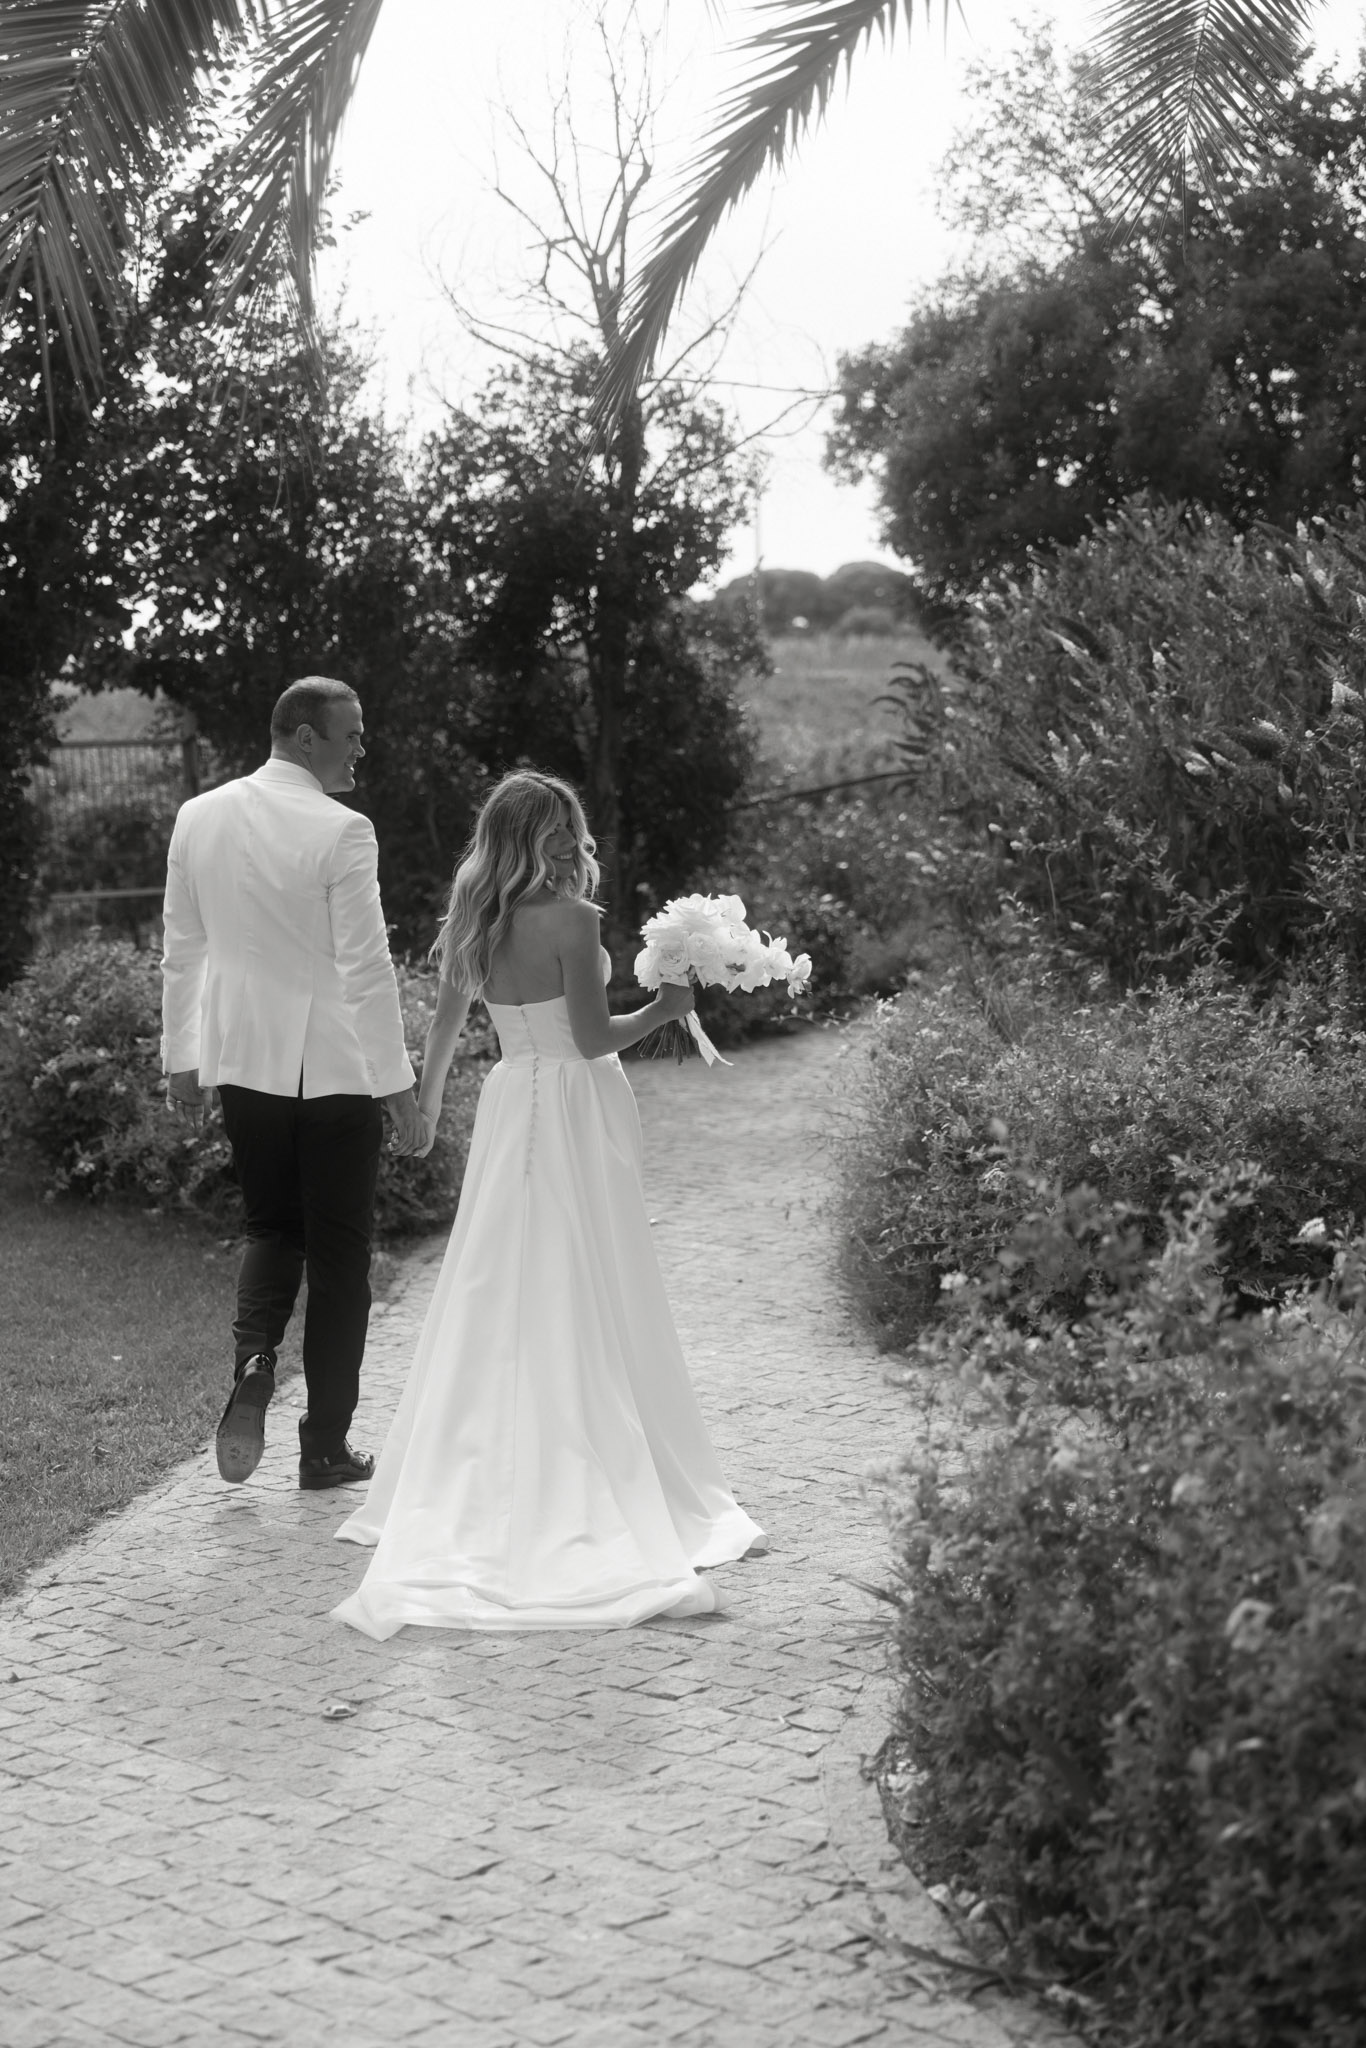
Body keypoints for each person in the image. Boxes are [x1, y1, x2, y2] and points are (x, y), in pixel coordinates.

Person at [332, 769, 764, 1636]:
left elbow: (448, 1027)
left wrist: (422, 1105)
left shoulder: (473, 920)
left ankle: (480, 1452)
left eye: (575, 831)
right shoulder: (574, 922)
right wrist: (667, 1008)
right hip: (576, 1100)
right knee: (582, 1264)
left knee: (500, 1267)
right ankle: (584, 1453)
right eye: (560, 832)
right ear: (530, 838)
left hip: (511, 1098)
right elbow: (596, 1037)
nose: (574, 846)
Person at [161, 676, 426, 1492]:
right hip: (335, 1074)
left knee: (271, 1228)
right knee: (342, 1263)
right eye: (350, 734)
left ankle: (254, 1361)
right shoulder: (343, 830)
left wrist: (182, 1056)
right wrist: (399, 1085)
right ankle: (324, 1449)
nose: (359, 749)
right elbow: (366, 967)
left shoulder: (196, 816)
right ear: (303, 736)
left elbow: (182, 948)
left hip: (244, 1065)